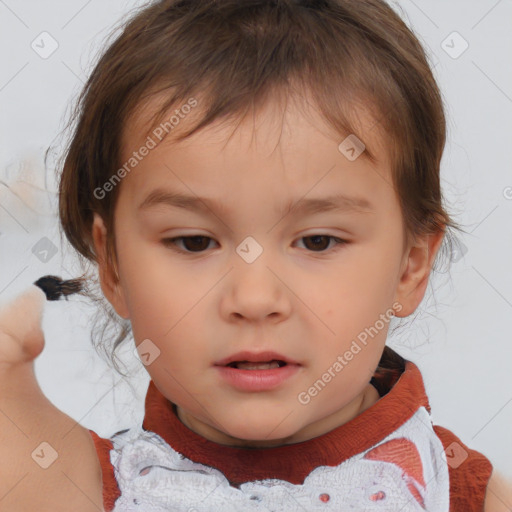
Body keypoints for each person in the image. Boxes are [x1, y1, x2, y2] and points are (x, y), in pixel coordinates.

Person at [1, 0, 511, 510]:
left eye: (317, 241)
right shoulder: (68, 487)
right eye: (194, 242)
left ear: (410, 266)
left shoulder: (467, 497)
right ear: (112, 267)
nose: (254, 299)